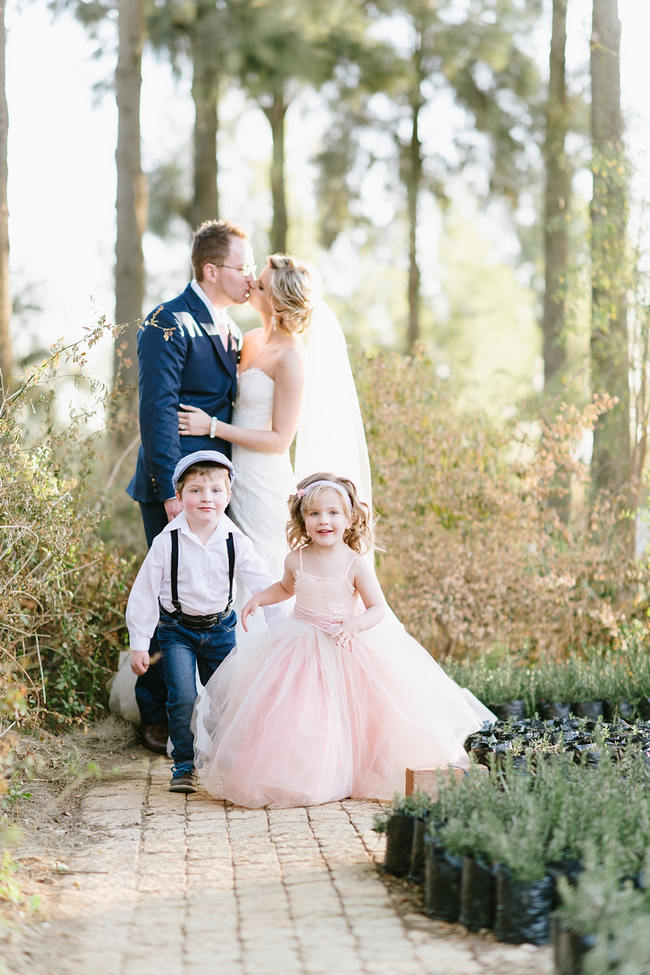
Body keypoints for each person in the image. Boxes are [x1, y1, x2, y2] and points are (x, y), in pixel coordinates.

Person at [192, 473, 492, 808]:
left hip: (344, 645)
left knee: (354, 715)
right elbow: (286, 588)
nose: (324, 521)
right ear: (302, 520)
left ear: (349, 519)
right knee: (301, 717)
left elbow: (377, 608)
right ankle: (303, 774)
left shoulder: (355, 564)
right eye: (315, 514)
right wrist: (259, 599)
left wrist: (355, 623)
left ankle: (354, 771)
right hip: (300, 644)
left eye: (333, 513)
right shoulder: (296, 560)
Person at [123, 219, 255, 754]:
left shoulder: (232, 331)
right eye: (242, 267)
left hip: (218, 491)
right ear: (210, 268)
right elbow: (156, 413)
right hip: (174, 489)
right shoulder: (167, 323)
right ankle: (154, 715)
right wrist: (171, 490)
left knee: (211, 596)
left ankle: (203, 707)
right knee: (168, 594)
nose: (249, 277)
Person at [125, 450, 283, 794]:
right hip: (177, 631)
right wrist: (139, 643)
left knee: (227, 697)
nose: (206, 498)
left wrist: (280, 626)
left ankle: (227, 760)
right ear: (179, 497)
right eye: (195, 490)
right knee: (182, 698)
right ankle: (183, 764)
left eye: (215, 490)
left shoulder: (235, 541)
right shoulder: (166, 542)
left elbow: (264, 583)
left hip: (220, 630)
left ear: (228, 496)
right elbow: (144, 593)